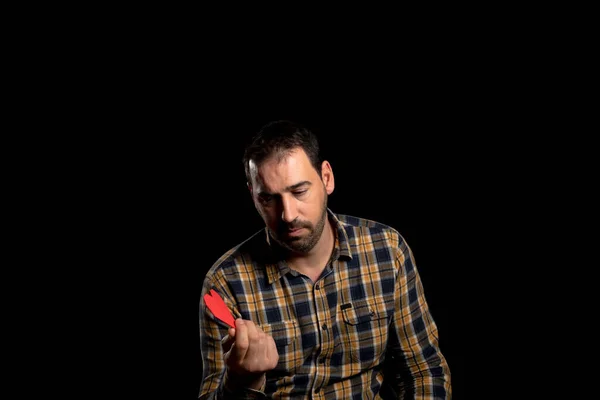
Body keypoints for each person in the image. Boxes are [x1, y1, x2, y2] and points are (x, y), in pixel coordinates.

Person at [198, 120, 452, 399]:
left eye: (299, 191)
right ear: (254, 197)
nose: (288, 214)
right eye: (269, 199)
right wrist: (243, 381)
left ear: (327, 178)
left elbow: (423, 370)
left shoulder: (388, 250)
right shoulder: (225, 283)